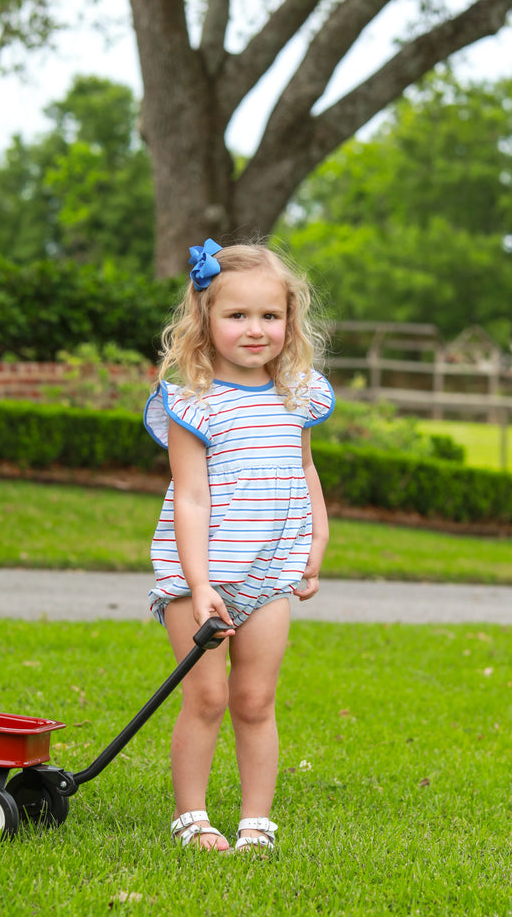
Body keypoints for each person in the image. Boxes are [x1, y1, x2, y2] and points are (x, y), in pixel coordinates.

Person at [143, 239, 334, 853]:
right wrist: (200, 588)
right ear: (206, 321)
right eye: (237, 316)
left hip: (270, 571)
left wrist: (317, 537)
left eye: (270, 316)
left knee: (255, 698)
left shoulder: (297, 395)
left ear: (289, 321)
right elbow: (191, 497)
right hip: (198, 576)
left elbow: (304, 471)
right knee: (207, 696)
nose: (256, 330)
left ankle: (257, 821)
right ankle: (192, 817)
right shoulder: (191, 403)